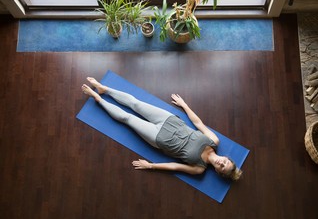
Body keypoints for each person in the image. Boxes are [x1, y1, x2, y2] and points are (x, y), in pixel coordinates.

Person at [81, 77, 242, 181]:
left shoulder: (199, 169)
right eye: (226, 161)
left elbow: (175, 166)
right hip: (170, 121)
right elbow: (199, 123)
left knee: (127, 118)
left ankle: (98, 98)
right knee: (136, 104)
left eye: (222, 167)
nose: (222, 162)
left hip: (159, 138)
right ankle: (104, 88)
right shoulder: (214, 141)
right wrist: (184, 105)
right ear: (227, 158)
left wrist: (151, 166)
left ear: (218, 172)